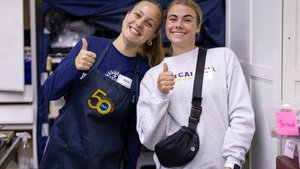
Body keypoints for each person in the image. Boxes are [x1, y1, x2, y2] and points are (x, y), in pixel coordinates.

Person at [39, 0, 164, 169]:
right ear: (126, 16)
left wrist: (130, 164)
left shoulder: (143, 72)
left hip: (104, 162)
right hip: (63, 155)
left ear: (153, 36)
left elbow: (133, 130)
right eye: (137, 15)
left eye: (148, 23)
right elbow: (50, 92)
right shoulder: (90, 46)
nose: (139, 23)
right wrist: (74, 66)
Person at [136, 0, 255, 169]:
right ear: (165, 26)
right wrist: (160, 94)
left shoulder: (223, 58)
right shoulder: (153, 75)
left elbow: (241, 113)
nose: (179, 24)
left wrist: (233, 160)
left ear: (198, 26)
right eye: (173, 18)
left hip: (219, 165)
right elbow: (149, 139)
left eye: (187, 19)